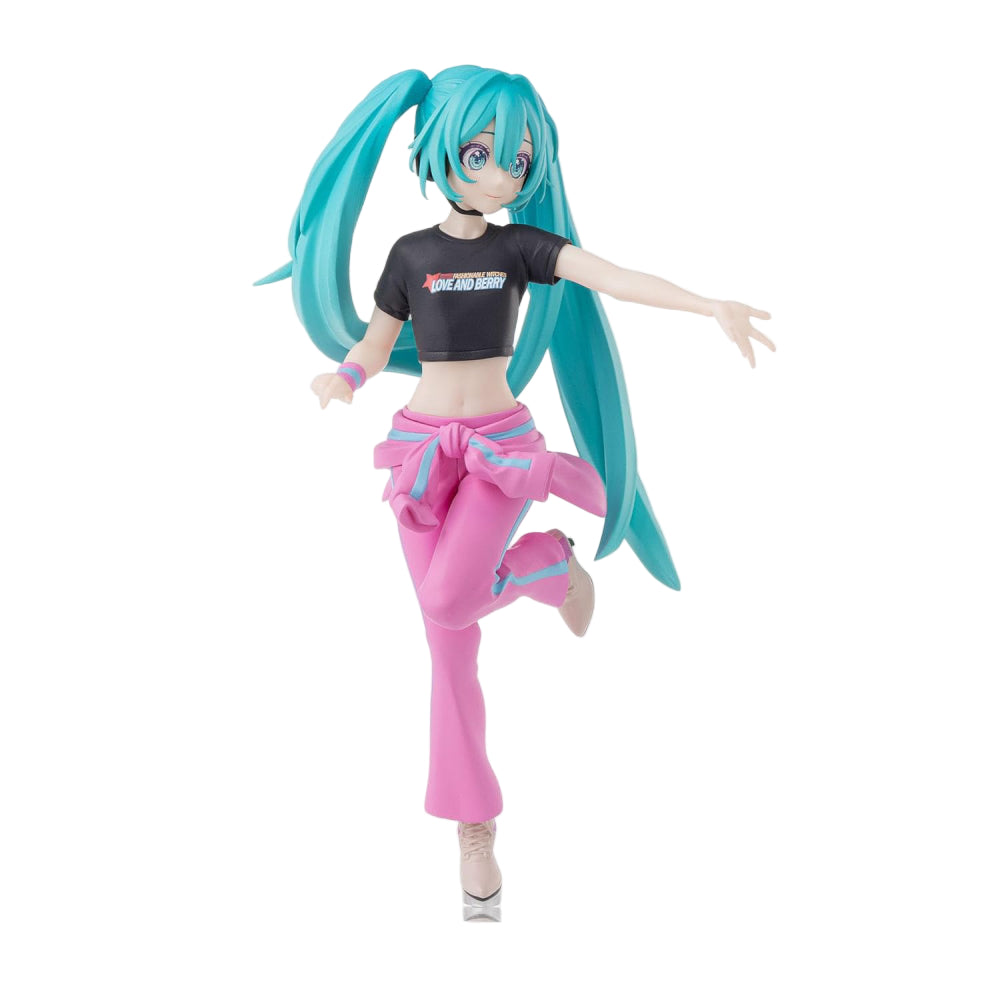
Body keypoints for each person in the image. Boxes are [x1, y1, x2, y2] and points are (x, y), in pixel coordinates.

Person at [257, 65, 774, 919]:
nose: (501, 174)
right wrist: (345, 378)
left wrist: (705, 304)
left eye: (519, 159)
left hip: (499, 452)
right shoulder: (410, 255)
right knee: (447, 647)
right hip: (422, 455)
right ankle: (474, 824)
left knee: (448, 600)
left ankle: (547, 547)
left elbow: (611, 276)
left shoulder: (519, 248)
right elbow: (378, 342)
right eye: (481, 153)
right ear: (437, 150)